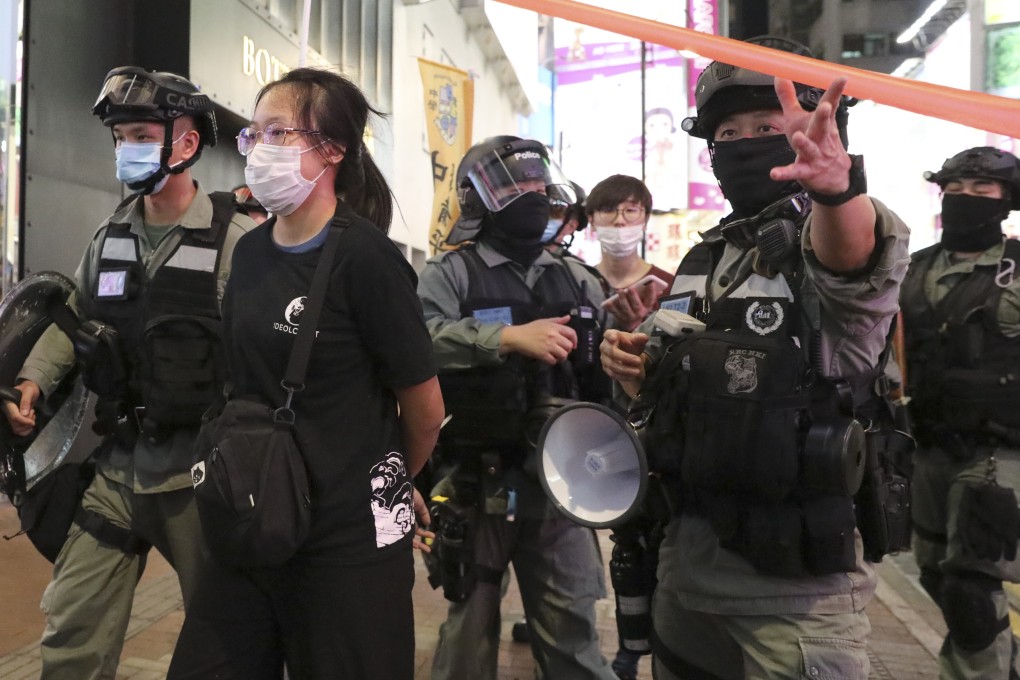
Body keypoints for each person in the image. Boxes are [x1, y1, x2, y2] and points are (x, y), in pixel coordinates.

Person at [599, 36, 910, 679]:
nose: (745, 143)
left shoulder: (834, 231)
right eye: (728, 133)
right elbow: (665, 386)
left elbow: (850, 260)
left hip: (795, 597)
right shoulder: (705, 256)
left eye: (767, 126)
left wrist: (835, 189)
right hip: (687, 574)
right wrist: (633, 363)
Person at [166, 67, 444, 680]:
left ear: (333, 149)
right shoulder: (250, 252)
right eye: (254, 134)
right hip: (255, 515)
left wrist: (387, 478)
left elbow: (425, 410)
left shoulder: (367, 259)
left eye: (278, 132)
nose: (258, 147)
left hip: (348, 541)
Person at [2, 66, 254, 679]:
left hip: (198, 477)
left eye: (140, 135)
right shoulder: (110, 235)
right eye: (120, 138)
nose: (126, 150)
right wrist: (33, 382)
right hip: (118, 471)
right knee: (72, 629)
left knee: (225, 639)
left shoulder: (235, 242)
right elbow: (74, 318)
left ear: (186, 143)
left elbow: (263, 360)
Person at [419, 135, 618, 680]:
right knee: (467, 634)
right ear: (479, 199)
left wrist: (630, 332)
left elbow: (610, 363)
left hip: (563, 485)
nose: (531, 194)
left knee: (573, 635)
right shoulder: (451, 273)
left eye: (537, 183)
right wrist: (505, 338)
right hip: (474, 480)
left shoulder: (577, 276)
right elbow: (419, 342)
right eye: (514, 186)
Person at [901, 146, 1020, 679]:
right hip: (928, 447)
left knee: (970, 586)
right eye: (954, 188)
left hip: (1000, 451)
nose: (964, 197)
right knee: (936, 574)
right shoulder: (913, 268)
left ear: (1006, 200)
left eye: (981, 189)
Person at [588, 174, 674, 332]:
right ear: (591, 220)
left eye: (631, 210)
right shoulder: (578, 283)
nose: (619, 220)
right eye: (608, 210)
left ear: (646, 220)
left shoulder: (670, 287)